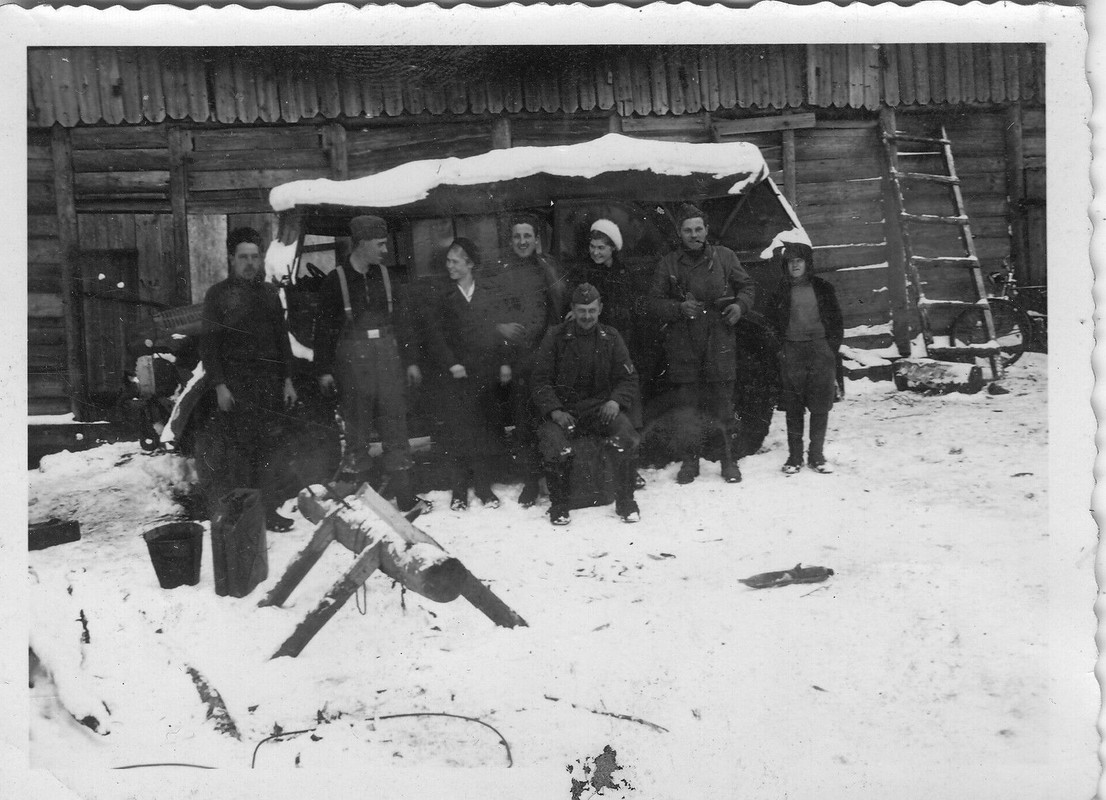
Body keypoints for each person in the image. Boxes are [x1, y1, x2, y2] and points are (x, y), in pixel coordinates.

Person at [312, 215, 424, 514]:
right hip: (353, 364)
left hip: (388, 360)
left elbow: (403, 323)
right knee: (357, 429)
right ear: (361, 243)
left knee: (395, 425)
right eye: (380, 244)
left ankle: (405, 496)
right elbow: (323, 330)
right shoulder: (335, 280)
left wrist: (411, 362)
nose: (385, 250)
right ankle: (361, 500)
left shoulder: (386, 277)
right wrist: (323, 370)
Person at [647, 202, 756, 485]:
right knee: (687, 407)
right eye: (688, 230)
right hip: (684, 342)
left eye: (698, 229)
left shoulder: (725, 257)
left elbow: (747, 286)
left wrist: (740, 307)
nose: (694, 235)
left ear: (706, 230)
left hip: (719, 338)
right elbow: (653, 303)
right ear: (679, 233)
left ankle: (729, 460)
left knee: (723, 404)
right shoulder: (669, 263)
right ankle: (690, 460)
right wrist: (678, 308)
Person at [200, 227, 298, 532]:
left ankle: (269, 512)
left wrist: (288, 380)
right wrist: (220, 386)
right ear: (231, 258)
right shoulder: (217, 295)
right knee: (239, 454)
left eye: (255, 257)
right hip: (236, 387)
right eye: (243, 257)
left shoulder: (269, 294)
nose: (250, 263)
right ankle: (243, 518)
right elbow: (209, 346)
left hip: (268, 385)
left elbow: (282, 340)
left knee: (269, 452)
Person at [532, 283, 641, 526]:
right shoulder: (555, 337)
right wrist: (555, 411)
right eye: (581, 311)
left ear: (600, 309)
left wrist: (615, 401)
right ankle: (559, 506)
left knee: (626, 436)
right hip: (564, 411)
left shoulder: (611, 337)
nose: (587, 316)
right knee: (555, 445)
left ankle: (626, 502)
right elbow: (540, 381)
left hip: (599, 410)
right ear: (572, 309)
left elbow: (628, 377)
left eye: (592, 310)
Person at [425, 238, 511, 510]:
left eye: (455, 261)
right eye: (448, 261)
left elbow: (499, 331)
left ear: (470, 264)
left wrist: (504, 363)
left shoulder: (487, 293)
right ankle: (459, 490)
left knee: (484, 430)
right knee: (458, 432)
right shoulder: (443, 296)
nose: (449, 266)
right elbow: (435, 336)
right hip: (456, 377)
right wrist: (451, 363)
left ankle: (484, 487)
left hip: (484, 374)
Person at [493, 214, 569, 507]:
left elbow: (562, 302)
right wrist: (500, 328)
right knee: (524, 421)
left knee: (549, 417)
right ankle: (530, 481)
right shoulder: (503, 273)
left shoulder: (549, 266)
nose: (522, 241)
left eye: (527, 236)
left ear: (537, 239)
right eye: (517, 237)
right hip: (520, 357)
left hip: (549, 355)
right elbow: (491, 312)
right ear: (511, 241)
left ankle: (553, 474)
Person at [572, 218, 646, 488]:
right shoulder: (583, 275)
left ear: (613, 248)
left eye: (601, 247)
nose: (596, 252)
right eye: (592, 247)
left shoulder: (625, 274)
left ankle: (631, 466)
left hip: (623, 345)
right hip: (596, 347)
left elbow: (635, 311)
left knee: (627, 402)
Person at [765, 241, 844, 474]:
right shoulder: (779, 292)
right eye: (790, 262)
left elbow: (837, 322)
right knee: (793, 406)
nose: (795, 265)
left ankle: (816, 455)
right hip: (791, 352)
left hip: (820, 351)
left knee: (820, 405)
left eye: (799, 261)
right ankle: (795, 456)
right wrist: (780, 349)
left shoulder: (823, 288)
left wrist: (829, 348)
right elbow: (770, 324)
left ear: (808, 263)